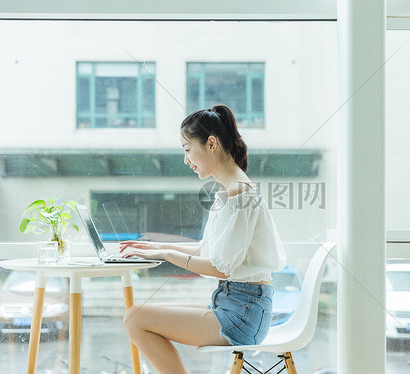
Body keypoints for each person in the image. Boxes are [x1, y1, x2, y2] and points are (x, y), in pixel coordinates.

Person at [119, 104, 286, 374]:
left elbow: (220, 268)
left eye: (187, 149)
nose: (186, 160)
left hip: (243, 315)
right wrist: (156, 247)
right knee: (138, 314)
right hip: (233, 304)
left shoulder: (240, 193)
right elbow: (205, 250)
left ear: (211, 144)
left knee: (135, 318)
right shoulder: (228, 192)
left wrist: (166, 255)